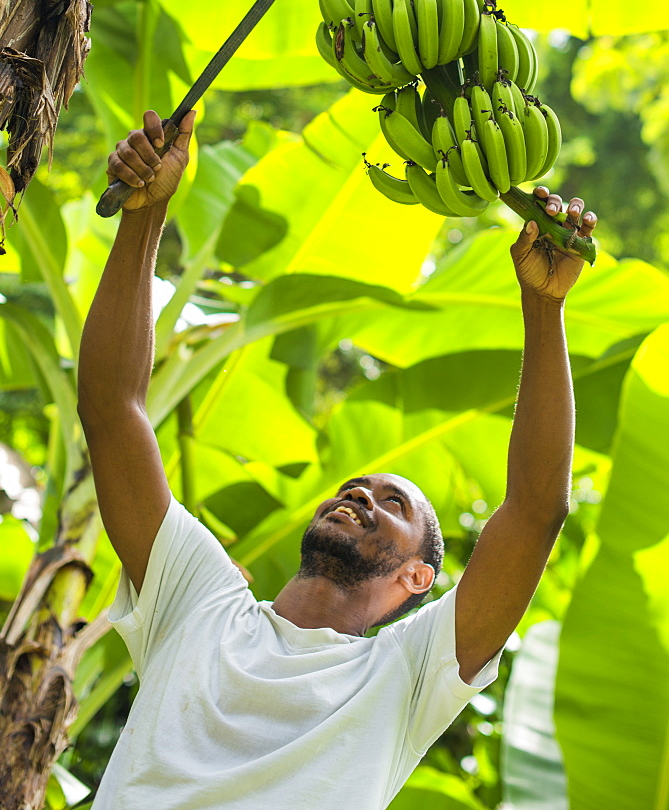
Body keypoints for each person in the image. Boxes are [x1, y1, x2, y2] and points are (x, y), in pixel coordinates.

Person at [78, 110, 597, 810]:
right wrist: (146, 212)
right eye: (357, 485)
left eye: (394, 502)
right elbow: (112, 412)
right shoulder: (199, 603)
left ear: (419, 576)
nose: (360, 493)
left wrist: (543, 307)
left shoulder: (405, 675)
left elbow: (536, 510)